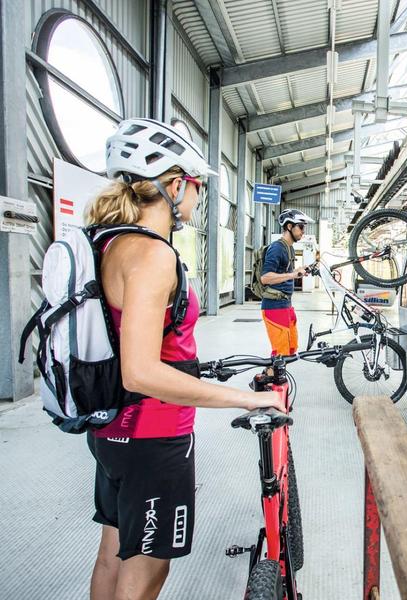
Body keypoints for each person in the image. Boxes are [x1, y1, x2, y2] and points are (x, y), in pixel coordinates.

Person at [86, 118, 284, 600]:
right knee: (147, 573)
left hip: (112, 431)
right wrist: (243, 399)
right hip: (153, 435)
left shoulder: (109, 242)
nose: (198, 198)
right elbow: (141, 370)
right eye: (196, 186)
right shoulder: (151, 255)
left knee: (113, 552)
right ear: (176, 186)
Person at [259, 208, 314, 356]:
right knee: (281, 353)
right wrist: (293, 275)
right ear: (289, 227)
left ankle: (271, 377)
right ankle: (271, 379)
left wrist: (299, 270)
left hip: (285, 305)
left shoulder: (288, 248)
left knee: (291, 349)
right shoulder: (277, 248)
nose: (303, 231)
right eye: (301, 227)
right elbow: (265, 278)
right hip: (274, 306)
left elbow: (285, 273)